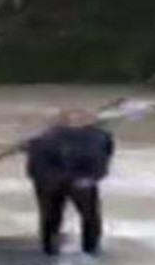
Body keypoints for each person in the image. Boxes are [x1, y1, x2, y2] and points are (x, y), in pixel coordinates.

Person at [26, 109, 115, 257]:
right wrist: (93, 178)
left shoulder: (41, 137)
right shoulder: (100, 135)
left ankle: (50, 250)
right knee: (89, 217)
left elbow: (34, 165)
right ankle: (91, 250)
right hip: (80, 180)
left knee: (50, 217)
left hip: (51, 181)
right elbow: (103, 158)